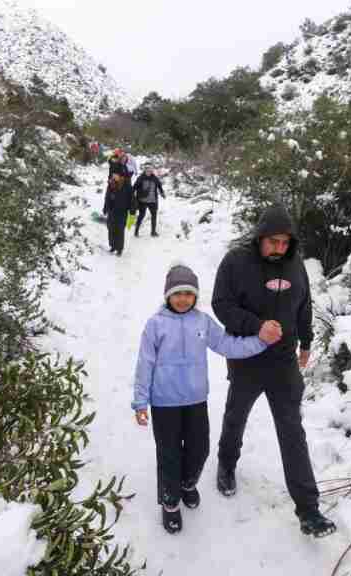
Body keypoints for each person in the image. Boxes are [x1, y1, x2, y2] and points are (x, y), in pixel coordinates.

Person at [211, 205, 337, 538]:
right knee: (236, 415)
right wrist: (255, 327)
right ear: (260, 237)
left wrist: (306, 341)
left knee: (292, 430)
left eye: (285, 242)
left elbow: (304, 303)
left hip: (283, 361)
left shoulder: (295, 263)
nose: (279, 248)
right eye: (273, 242)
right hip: (247, 359)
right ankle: (226, 463)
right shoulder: (236, 262)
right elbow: (220, 304)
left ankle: (309, 510)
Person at [133, 264, 282, 534]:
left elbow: (227, 345)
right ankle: (170, 503)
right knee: (169, 456)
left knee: (199, 449)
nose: (183, 299)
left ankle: (188, 484)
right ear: (168, 295)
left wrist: (261, 341)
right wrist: (141, 401)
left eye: (188, 294)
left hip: (195, 400)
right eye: (177, 294)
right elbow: (145, 363)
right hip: (164, 403)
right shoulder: (156, 325)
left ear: (195, 296)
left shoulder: (202, 322)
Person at [103, 154, 134, 256]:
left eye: (116, 175)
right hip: (112, 210)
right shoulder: (111, 185)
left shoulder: (127, 185)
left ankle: (119, 249)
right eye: (113, 175)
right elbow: (107, 196)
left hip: (122, 211)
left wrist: (132, 210)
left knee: (120, 230)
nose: (114, 176)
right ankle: (112, 246)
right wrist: (105, 207)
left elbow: (131, 198)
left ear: (120, 175)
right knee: (110, 228)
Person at [132, 164, 165, 237]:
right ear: (145, 171)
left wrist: (162, 193)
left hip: (153, 201)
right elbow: (134, 187)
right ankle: (136, 231)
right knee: (141, 215)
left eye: (150, 170)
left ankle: (153, 232)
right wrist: (132, 196)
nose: (149, 172)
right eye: (147, 170)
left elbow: (159, 186)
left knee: (154, 216)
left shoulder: (155, 178)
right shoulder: (140, 178)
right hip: (142, 201)